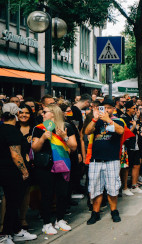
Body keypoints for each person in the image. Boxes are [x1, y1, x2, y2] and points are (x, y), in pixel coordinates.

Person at [31, 104, 77, 234]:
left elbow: (73, 147)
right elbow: (35, 148)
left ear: (53, 113)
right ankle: (46, 223)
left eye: (45, 112)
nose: (42, 114)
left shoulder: (67, 127)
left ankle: (60, 219)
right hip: (46, 166)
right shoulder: (39, 128)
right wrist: (43, 138)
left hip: (62, 164)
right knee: (47, 195)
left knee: (62, 194)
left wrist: (64, 137)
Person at [0, 103, 36, 244]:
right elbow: (16, 155)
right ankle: (6, 235)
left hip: (3, 171)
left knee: (11, 202)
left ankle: (16, 231)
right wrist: (24, 171)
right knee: (13, 203)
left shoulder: (2, 129)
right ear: (15, 115)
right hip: (11, 172)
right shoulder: (13, 132)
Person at [84, 97, 125, 225]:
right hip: (96, 160)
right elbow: (86, 131)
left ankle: (114, 211)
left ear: (113, 109)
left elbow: (121, 131)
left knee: (112, 187)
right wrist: (95, 119)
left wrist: (108, 120)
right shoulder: (97, 121)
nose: (106, 110)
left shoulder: (118, 121)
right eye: (104, 107)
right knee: (95, 187)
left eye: (109, 108)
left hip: (112, 159)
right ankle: (95, 213)